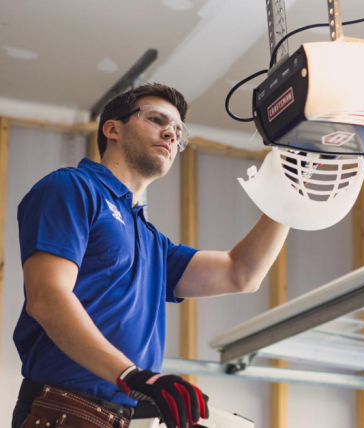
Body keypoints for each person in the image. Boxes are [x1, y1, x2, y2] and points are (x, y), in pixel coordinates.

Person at [12, 83, 289, 428]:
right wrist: (132, 375)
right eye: (157, 120)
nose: (171, 134)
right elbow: (47, 296)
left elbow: (241, 273)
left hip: (124, 418)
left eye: (177, 131)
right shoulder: (73, 188)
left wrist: (287, 200)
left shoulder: (153, 242)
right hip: (66, 412)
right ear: (112, 128)